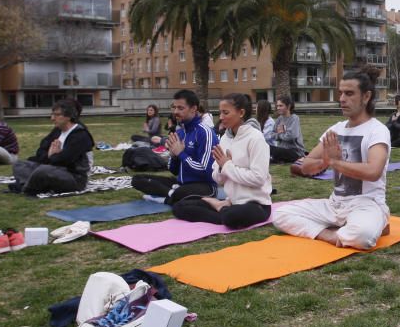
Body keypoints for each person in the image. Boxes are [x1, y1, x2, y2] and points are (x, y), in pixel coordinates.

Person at [274, 67, 391, 249]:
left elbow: (373, 172)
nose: (342, 99)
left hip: (366, 203)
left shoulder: (377, 131)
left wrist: (335, 162)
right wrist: (325, 162)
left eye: (349, 93)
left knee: (363, 237)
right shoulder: (336, 129)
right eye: (341, 93)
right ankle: (331, 234)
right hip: (334, 204)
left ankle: (373, 222)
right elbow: (305, 166)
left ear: (366, 97)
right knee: (280, 215)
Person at [172, 93, 272, 228]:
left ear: (241, 112)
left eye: (225, 113)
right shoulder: (225, 138)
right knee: (180, 206)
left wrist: (226, 165)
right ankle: (222, 206)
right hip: (231, 201)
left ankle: (220, 207)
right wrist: (220, 168)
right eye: (220, 113)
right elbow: (218, 179)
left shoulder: (256, 139)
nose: (221, 117)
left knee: (230, 217)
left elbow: (258, 178)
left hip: (256, 204)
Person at [130, 89, 219, 205]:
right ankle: (172, 194)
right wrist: (174, 156)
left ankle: (169, 197)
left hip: (204, 186)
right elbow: (174, 170)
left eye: (180, 108)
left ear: (193, 109)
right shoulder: (180, 133)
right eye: (174, 107)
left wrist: (181, 154)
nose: (176, 112)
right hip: (181, 183)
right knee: (137, 180)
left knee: (181, 193)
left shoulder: (205, 133)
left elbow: (206, 171)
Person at [11, 99, 95, 195]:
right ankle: (33, 184)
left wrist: (52, 157)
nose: (52, 118)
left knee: (43, 171)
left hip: (74, 177)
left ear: (68, 116)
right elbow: (41, 150)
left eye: (56, 115)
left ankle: (26, 188)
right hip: (53, 167)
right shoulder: (58, 131)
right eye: (52, 114)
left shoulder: (80, 135)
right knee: (20, 164)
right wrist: (51, 156)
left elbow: (65, 161)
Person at [267, 96, 305, 163]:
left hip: (295, 151)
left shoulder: (294, 118)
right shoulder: (279, 119)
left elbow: (292, 136)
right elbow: (272, 134)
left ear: (288, 106)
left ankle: (276, 159)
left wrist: (279, 134)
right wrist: (281, 135)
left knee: (268, 149)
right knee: (265, 147)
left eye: (281, 106)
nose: (278, 108)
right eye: (277, 106)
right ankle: (277, 159)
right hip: (282, 149)